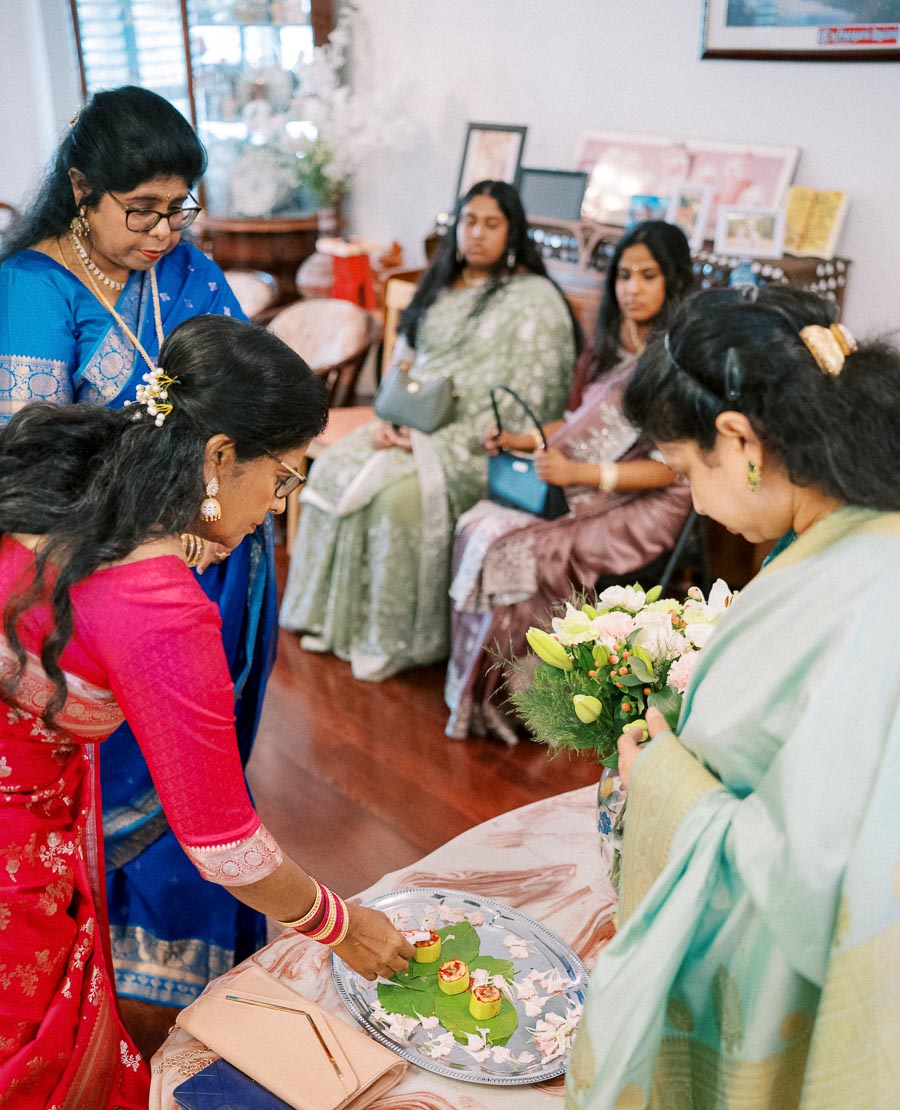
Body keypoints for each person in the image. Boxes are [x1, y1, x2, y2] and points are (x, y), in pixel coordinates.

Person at [0, 315, 415, 1110]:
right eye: (283, 476)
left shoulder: (61, 480)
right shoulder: (156, 600)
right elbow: (225, 846)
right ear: (219, 457)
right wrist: (345, 925)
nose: (282, 503)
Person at [549, 287, 899, 1110]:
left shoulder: (864, 596)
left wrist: (662, 779)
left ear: (743, 440)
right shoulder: (853, 543)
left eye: (692, 466)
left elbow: (815, 881)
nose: (694, 499)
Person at [0, 86, 278, 1007]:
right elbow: (27, 468)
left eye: (180, 208)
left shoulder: (187, 269)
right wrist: (152, 533)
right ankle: (117, 967)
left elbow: (247, 383)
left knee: (205, 758)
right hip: (106, 587)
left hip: (219, 563)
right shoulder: (34, 292)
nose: (165, 232)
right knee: (121, 764)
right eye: (143, 211)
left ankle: (209, 948)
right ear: (82, 189)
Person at [278, 179, 579, 682]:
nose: (477, 234)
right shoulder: (438, 286)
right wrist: (394, 419)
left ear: (513, 232)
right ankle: (330, 624)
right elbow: (405, 363)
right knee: (333, 466)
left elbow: (527, 398)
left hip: (472, 444)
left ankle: (394, 640)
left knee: (396, 499)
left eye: (492, 224)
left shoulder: (535, 300)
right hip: (408, 425)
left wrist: (431, 439)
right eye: (469, 222)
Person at [445, 220, 694, 741]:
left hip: (652, 498)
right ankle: (477, 694)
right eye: (624, 275)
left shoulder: (677, 359)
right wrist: (519, 439)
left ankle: (531, 702)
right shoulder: (607, 341)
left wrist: (581, 474)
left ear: (673, 281)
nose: (633, 288)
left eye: (649, 276)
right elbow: (576, 420)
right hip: (588, 484)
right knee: (478, 524)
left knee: (521, 548)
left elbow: (674, 466)